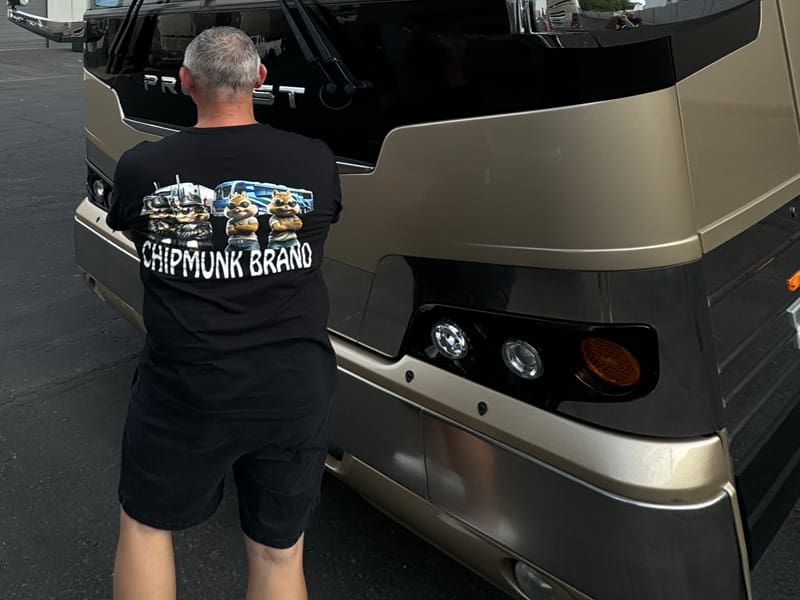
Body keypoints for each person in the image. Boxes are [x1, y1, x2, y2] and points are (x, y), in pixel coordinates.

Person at [105, 26, 341, 600]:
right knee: (278, 553)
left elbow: (133, 230)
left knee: (146, 526)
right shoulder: (312, 159)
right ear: (260, 79)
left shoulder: (142, 167)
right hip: (293, 386)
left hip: (185, 389)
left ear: (186, 82)